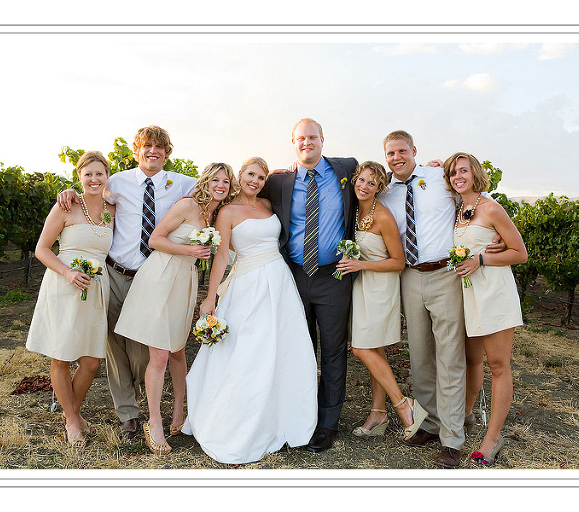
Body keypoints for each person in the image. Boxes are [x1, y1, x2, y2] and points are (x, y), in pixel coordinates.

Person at [57, 126, 197, 440]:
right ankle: (128, 416)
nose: (153, 152)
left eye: (160, 147)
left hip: (153, 280)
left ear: (167, 153)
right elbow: (90, 195)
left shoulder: (183, 184)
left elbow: (220, 186)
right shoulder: (118, 181)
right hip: (114, 274)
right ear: (136, 152)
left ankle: (152, 412)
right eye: (147, 147)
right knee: (113, 348)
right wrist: (70, 192)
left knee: (145, 352)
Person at [378, 130, 505, 468]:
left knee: (450, 356)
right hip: (410, 275)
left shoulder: (440, 177)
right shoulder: (386, 192)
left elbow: (475, 203)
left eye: (402, 151)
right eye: (390, 153)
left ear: (415, 151)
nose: (396, 158)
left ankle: (452, 439)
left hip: (446, 274)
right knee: (420, 355)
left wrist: (493, 239)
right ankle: (430, 424)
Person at [181, 157, 318, 464]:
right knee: (249, 353)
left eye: (261, 176)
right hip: (249, 287)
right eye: (250, 174)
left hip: (280, 284)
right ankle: (238, 422)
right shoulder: (227, 212)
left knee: (283, 348)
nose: (255, 181)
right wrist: (210, 296)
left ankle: (285, 417)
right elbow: (220, 257)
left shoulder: (269, 205)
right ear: (240, 175)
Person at [113, 163, 237, 455]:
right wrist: (190, 251)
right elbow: (155, 239)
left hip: (185, 281)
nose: (220, 185)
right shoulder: (187, 205)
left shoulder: (216, 215)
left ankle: (179, 413)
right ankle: (154, 422)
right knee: (159, 355)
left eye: (226, 182)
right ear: (206, 181)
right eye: (215, 179)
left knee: (178, 351)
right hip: (161, 276)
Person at [261, 118, 357, 452]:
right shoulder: (279, 182)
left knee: (333, 350)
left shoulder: (348, 169)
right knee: (297, 350)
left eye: (312, 137)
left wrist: (432, 167)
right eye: (301, 138)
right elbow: (240, 192)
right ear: (292, 142)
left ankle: (327, 424)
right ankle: (297, 417)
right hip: (294, 276)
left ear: (322, 139)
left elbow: (381, 178)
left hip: (334, 276)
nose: (307, 143)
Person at [26, 151, 116, 447]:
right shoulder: (66, 205)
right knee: (61, 355)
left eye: (99, 174)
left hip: (95, 289)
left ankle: (72, 413)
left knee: (91, 361)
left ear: (107, 176)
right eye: (88, 174)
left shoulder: (112, 208)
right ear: (79, 176)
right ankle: (72, 420)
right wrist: (67, 273)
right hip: (64, 286)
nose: (94, 179)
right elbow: (42, 249)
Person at [444, 152, 527, 465]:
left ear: (474, 173)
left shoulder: (491, 207)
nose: (458, 176)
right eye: (453, 172)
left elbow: (520, 252)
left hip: (494, 293)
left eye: (463, 170)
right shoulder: (458, 208)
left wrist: (481, 259)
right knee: (470, 359)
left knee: (498, 364)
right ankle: (466, 412)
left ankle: (493, 436)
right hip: (468, 294)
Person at [335, 161, 427, 442]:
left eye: (371, 183)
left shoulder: (383, 216)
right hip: (361, 286)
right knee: (376, 349)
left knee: (362, 348)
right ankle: (378, 414)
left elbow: (398, 262)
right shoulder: (353, 209)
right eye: (361, 180)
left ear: (380, 188)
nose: (364, 186)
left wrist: (361, 266)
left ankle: (403, 404)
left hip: (380, 287)